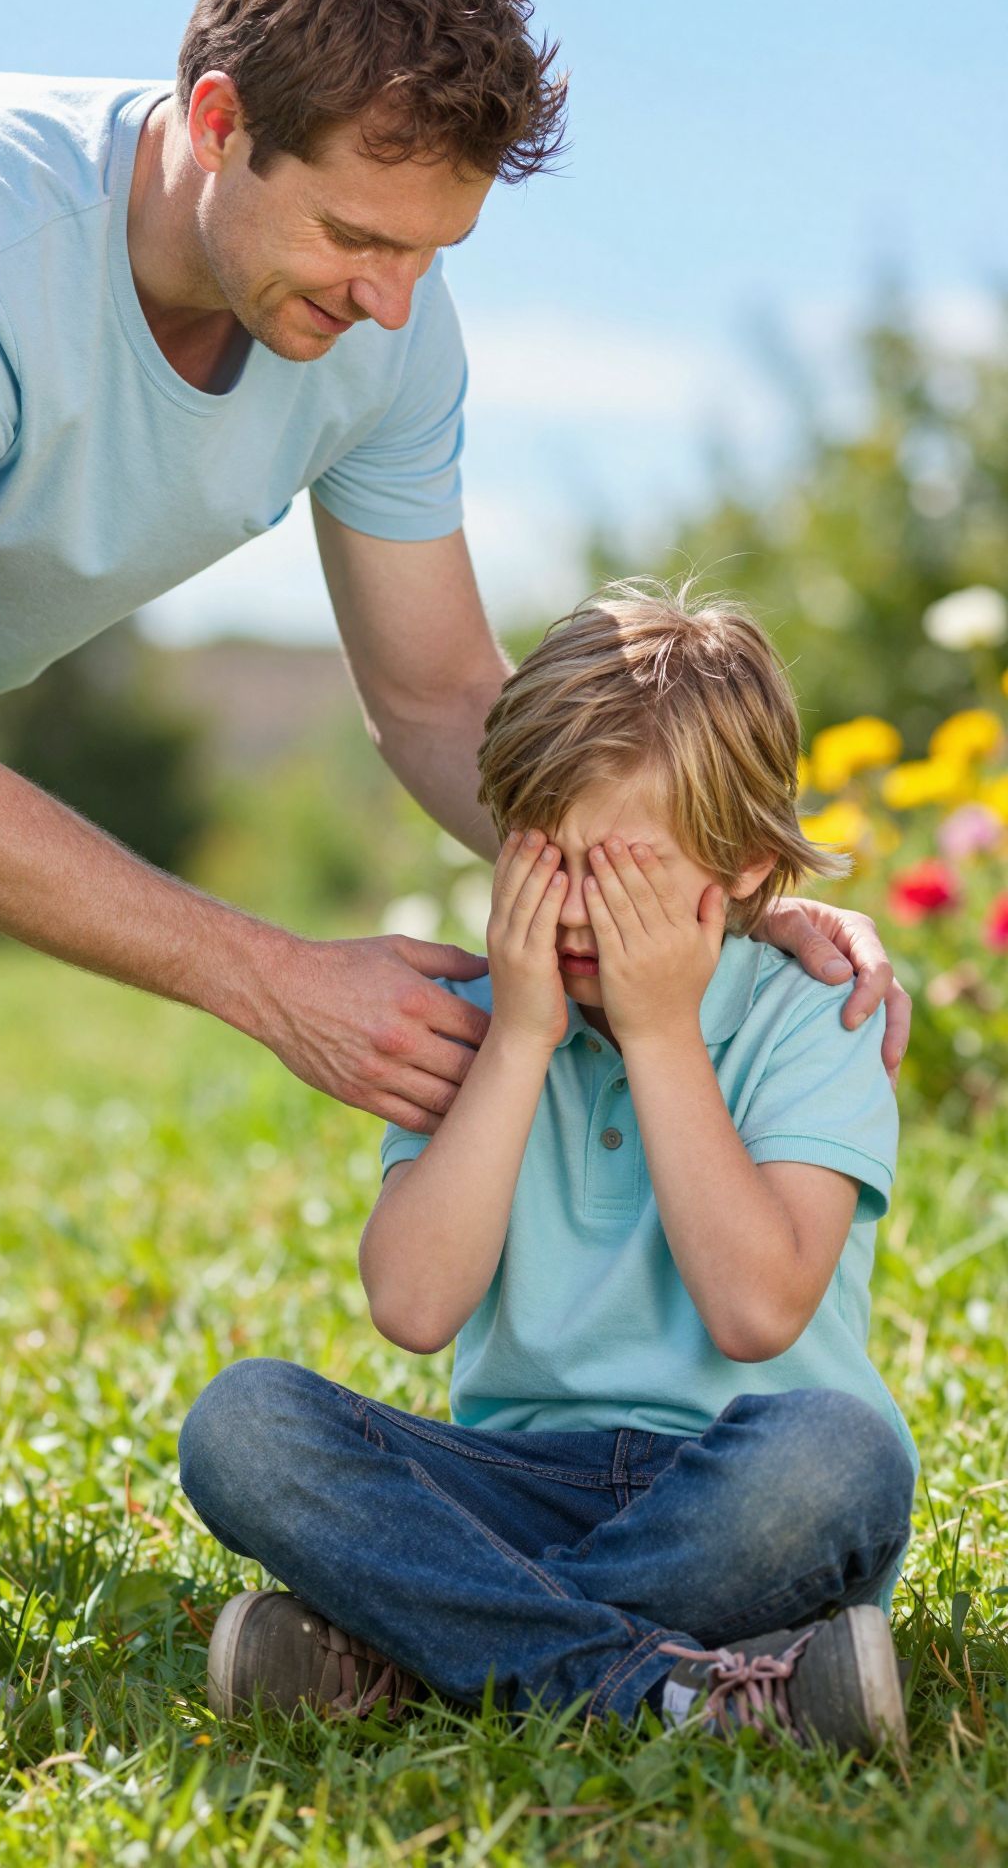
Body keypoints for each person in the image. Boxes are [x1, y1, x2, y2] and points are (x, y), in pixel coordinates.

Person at [0, 0, 907, 1727]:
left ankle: (446, 1637)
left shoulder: (385, 330)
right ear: (210, 123)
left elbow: (442, 700)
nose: (389, 301)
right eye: (354, 233)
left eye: (431, 253)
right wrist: (272, 973)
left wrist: (697, 891)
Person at [179, 581, 917, 1753]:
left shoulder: (812, 1018)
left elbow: (757, 1306)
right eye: (546, 862)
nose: (576, 912)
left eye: (621, 873)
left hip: (743, 1476)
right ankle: (674, 1682)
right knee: (244, 1422)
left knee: (841, 1455)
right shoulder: (474, 1025)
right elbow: (413, 1306)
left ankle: (421, 1643)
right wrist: (519, 1038)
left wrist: (666, 1033)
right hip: (513, 1480)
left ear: (733, 869)